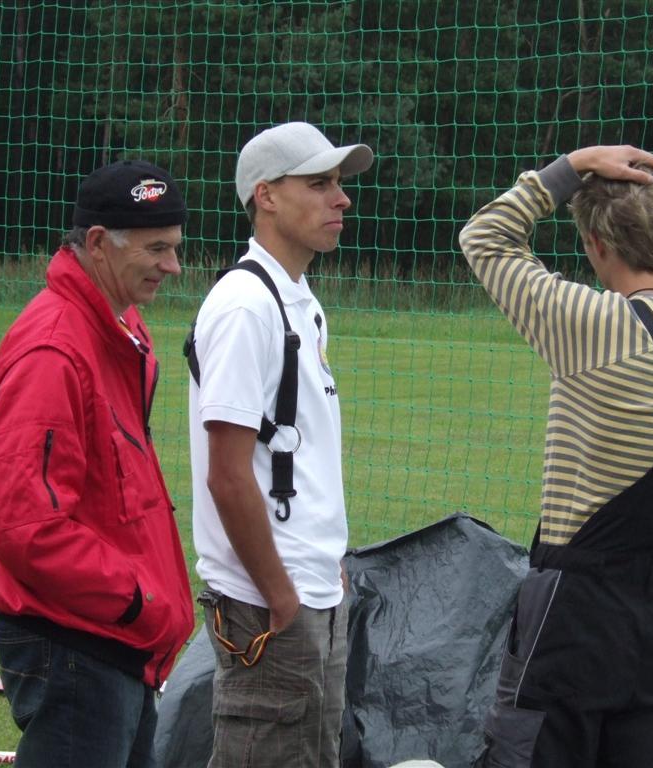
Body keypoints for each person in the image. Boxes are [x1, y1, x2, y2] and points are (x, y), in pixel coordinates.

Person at [460, 145, 653, 768]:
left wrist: (571, 166)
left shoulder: (595, 325)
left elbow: (485, 237)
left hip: (572, 616)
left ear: (597, 244)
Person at [0, 159, 195, 768]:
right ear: (98, 243)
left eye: (174, 247)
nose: (173, 266)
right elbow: (26, 526)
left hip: (112, 642)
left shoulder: (115, 332)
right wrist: (139, 600)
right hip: (79, 644)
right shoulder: (54, 351)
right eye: (157, 249)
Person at [187, 122, 373, 767]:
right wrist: (280, 594)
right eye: (319, 184)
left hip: (316, 589)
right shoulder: (245, 306)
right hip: (270, 601)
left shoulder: (300, 301)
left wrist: (326, 568)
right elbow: (227, 474)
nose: (341, 199)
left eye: (339, 183)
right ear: (265, 195)